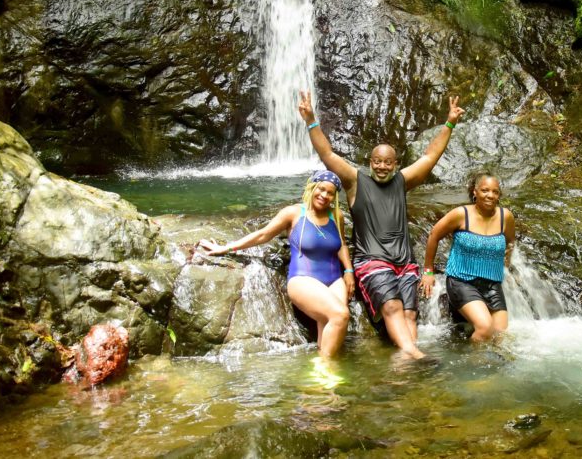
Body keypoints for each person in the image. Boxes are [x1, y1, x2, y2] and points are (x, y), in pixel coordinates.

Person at [297, 90, 464, 360]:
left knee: (410, 312)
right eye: (377, 162)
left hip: (405, 262)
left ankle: (403, 364)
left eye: (388, 162)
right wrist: (311, 121)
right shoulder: (355, 182)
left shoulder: (402, 181)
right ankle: (414, 353)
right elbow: (327, 153)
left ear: (396, 165)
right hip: (372, 261)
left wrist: (450, 123)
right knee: (392, 306)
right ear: (370, 162)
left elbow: (429, 157)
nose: (382, 167)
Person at [198, 170, 355, 359]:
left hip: (334, 279)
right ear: (311, 187)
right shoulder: (294, 213)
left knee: (329, 322)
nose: (324, 195)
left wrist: (348, 270)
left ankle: (322, 382)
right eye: (321, 189)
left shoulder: (335, 215)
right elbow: (263, 235)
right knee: (340, 315)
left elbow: (341, 245)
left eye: (330, 193)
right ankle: (325, 369)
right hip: (304, 279)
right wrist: (227, 248)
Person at [419, 173, 515, 342]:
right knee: (485, 329)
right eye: (485, 190)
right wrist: (428, 271)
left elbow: (511, 241)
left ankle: (494, 368)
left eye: (495, 192)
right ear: (474, 192)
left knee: (502, 336)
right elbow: (434, 235)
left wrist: (507, 261)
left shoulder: (505, 217)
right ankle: (475, 365)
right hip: (462, 282)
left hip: (492, 284)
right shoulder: (461, 214)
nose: (490, 195)